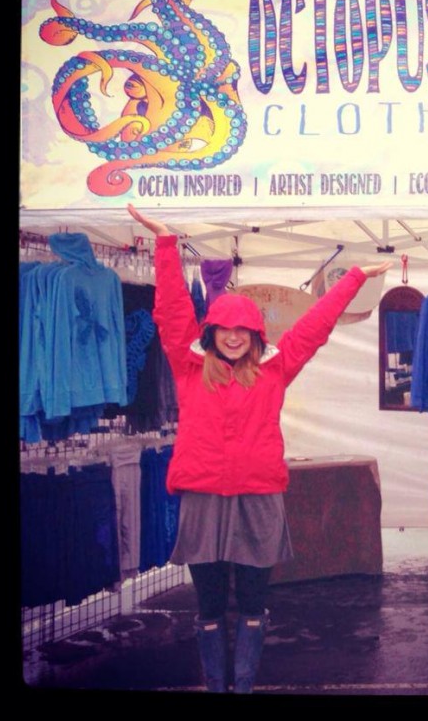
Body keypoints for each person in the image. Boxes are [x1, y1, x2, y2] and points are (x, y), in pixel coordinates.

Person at [127, 204, 391, 693]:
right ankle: (216, 684)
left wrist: (353, 278)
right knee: (207, 605)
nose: (231, 337)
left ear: (254, 335)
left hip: (258, 498)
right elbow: (170, 312)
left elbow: (315, 327)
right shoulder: (188, 369)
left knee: (251, 602)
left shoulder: (276, 370)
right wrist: (166, 244)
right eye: (223, 329)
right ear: (210, 334)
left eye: (241, 330)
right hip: (204, 499)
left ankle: (243, 685)